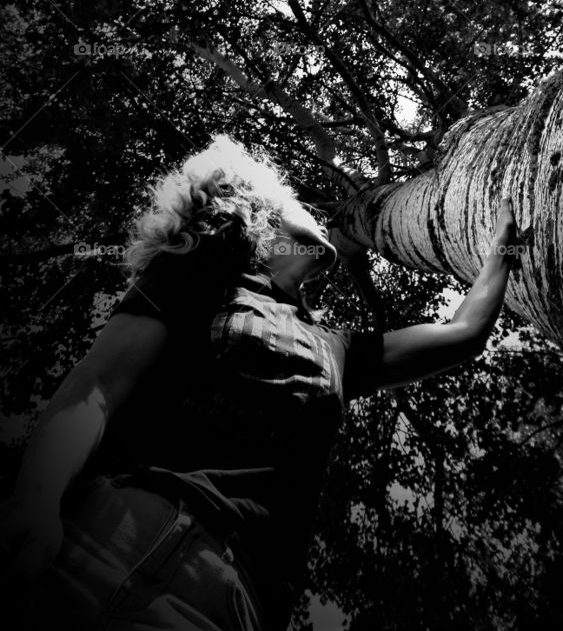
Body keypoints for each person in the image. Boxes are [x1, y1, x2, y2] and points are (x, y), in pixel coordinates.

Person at [0, 135, 523, 630]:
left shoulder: (335, 347)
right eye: (297, 204)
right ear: (262, 216)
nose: (314, 216)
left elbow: (463, 333)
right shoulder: (200, 271)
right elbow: (99, 386)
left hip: (236, 600)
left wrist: (504, 246)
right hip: (107, 538)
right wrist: (37, 495)